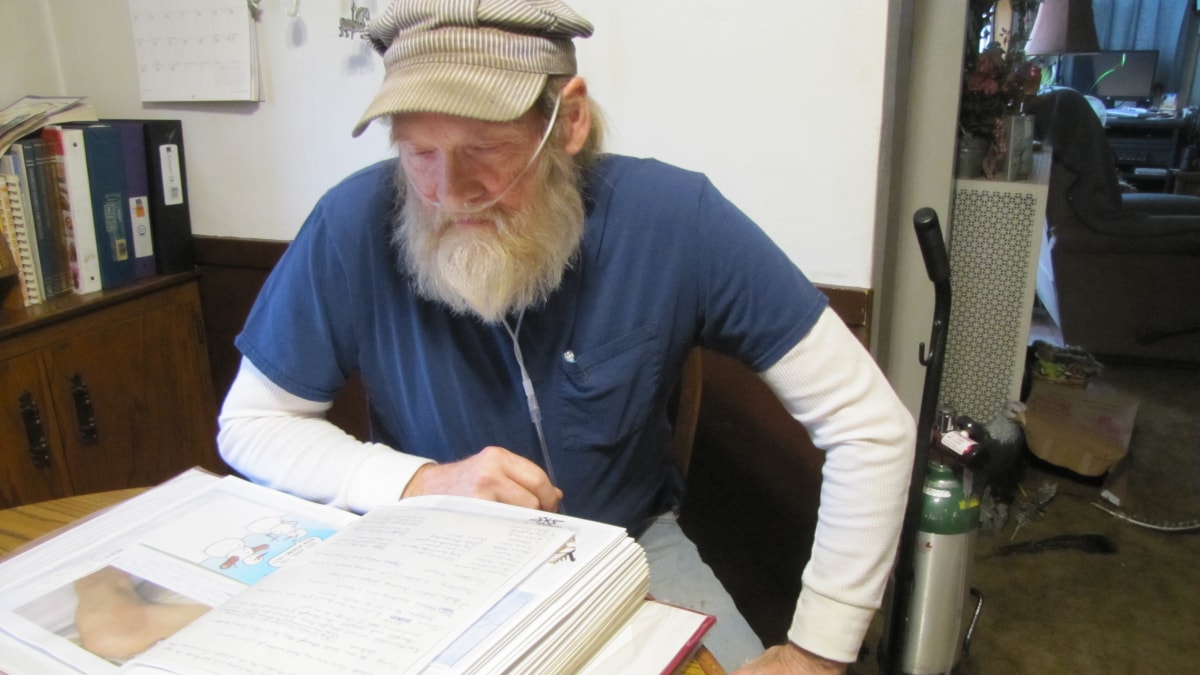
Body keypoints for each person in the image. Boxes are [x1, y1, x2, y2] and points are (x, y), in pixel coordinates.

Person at [218, 1, 915, 672]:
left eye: (483, 149)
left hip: (631, 545)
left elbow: (871, 426)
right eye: (418, 151)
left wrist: (818, 651)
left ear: (569, 120)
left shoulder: (673, 219)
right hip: (430, 560)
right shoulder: (352, 224)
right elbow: (250, 422)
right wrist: (422, 480)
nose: (446, 192)